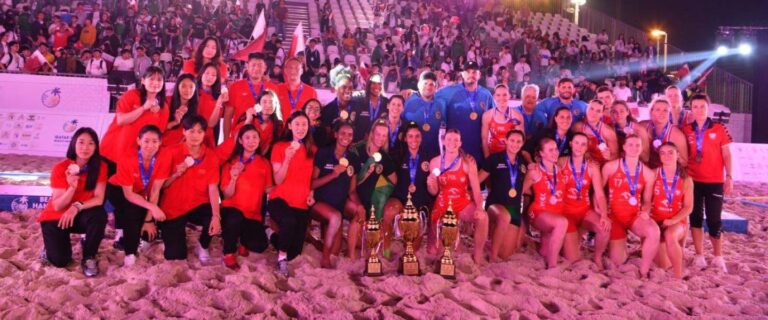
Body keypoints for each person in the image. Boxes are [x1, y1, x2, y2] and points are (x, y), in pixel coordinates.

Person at [38, 128, 108, 277]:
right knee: (60, 261)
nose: (85, 147)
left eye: (91, 143)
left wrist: (77, 206)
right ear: (73, 144)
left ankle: (89, 256)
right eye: (81, 142)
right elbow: (57, 205)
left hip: (80, 213)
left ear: (96, 147)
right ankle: (48, 249)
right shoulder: (61, 168)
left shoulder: (100, 167)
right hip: (56, 216)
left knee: (99, 215)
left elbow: (99, 198)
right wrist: (71, 188)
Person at [158, 115, 222, 261]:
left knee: (218, 215)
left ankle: (203, 245)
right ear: (184, 132)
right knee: (176, 255)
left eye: (199, 132)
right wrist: (176, 174)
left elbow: (213, 189)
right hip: (173, 208)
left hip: (197, 205)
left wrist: (216, 216)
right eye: (191, 131)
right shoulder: (170, 151)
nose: (195, 135)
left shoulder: (211, 156)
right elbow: (161, 186)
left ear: (204, 134)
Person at [682, 93, 733, 273]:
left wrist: (729, 177)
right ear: (691, 109)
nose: (699, 110)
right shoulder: (686, 129)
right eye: (695, 107)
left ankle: (718, 257)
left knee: (714, 220)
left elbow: (727, 154)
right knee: (695, 218)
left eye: (702, 106)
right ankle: (699, 255)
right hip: (693, 181)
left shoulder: (719, 128)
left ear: (708, 108)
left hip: (715, 181)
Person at [107, 125, 170, 266]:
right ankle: (130, 253)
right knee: (133, 212)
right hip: (118, 189)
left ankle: (136, 234)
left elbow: (155, 192)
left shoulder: (164, 158)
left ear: (160, 143)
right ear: (138, 141)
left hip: (140, 192)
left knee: (147, 220)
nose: (150, 145)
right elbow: (128, 194)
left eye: (155, 141)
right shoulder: (127, 158)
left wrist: (148, 220)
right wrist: (152, 208)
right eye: (146, 141)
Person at [427, 129, 489, 264]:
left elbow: (477, 192)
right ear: (443, 141)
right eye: (449, 139)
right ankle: (454, 237)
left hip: (462, 203)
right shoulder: (435, 162)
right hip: (443, 205)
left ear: (460, 143)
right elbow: (433, 192)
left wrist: (479, 208)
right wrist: (430, 183)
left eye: (456, 140)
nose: (452, 143)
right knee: (435, 251)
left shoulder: (468, 163)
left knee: (483, 218)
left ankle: (478, 257)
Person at [602, 135, 659, 277]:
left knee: (654, 231)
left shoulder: (648, 173)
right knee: (617, 261)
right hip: (614, 217)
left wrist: (645, 210)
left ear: (642, 148)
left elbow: (647, 200)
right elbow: (599, 192)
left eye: (637, 145)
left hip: (633, 216)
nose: (634, 148)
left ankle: (644, 270)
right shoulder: (610, 167)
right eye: (631, 145)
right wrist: (602, 212)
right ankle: (618, 246)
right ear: (624, 147)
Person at [267, 111, 316, 276]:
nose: (301, 128)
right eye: (297, 124)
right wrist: (287, 158)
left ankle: (270, 233)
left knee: (294, 251)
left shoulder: (312, 150)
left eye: (304, 124)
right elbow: (278, 180)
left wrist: (311, 193)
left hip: (301, 202)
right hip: (280, 198)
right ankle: (281, 259)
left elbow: (311, 179)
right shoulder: (279, 147)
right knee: (289, 221)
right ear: (289, 126)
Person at [310, 121, 365, 267]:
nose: (346, 137)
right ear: (335, 134)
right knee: (335, 217)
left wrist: (359, 205)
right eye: (343, 133)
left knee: (359, 212)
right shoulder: (324, 153)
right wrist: (333, 174)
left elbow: (352, 191)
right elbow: (312, 184)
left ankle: (351, 252)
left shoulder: (353, 158)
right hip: (319, 202)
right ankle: (325, 258)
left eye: (350, 134)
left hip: (338, 205)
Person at [220, 125, 273, 270]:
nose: (251, 141)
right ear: (241, 142)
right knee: (234, 219)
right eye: (247, 138)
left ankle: (242, 240)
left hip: (253, 213)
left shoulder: (264, 163)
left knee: (259, 245)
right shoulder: (231, 162)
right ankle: (229, 252)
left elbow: (269, 189)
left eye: (255, 137)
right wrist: (233, 178)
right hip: (232, 209)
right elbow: (226, 194)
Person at [381, 122, 435, 258]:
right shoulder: (398, 155)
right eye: (410, 136)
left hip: (420, 201)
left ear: (421, 138)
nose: (414, 140)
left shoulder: (429, 156)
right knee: (388, 211)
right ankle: (385, 249)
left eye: (417, 136)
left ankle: (408, 254)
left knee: (412, 249)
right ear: (405, 138)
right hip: (401, 197)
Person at [558, 133, 611, 267]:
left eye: (583, 144)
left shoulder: (592, 167)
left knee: (604, 228)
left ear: (587, 148)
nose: (579, 147)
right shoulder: (561, 162)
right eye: (576, 143)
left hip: (584, 211)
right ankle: (573, 236)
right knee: (572, 259)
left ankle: (597, 257)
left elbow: (599, 194)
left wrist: (604, 214)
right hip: (565, 213)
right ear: (570, 144)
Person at [101, 66, 168, 172]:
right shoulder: (131, 95)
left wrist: (175, 122)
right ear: (143, 81)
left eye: (159, 79)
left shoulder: (163, 107)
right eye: (151, 78)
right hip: (114, 152)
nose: (155, 82)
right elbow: (121, 120)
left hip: (137, 158)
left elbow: (159, 133)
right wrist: (144, 108)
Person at [479, 130, 528, 261]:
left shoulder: (523, 163)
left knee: (506, 254)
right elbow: (477, 180)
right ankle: (493, 256)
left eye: (518, 141)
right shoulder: (494, 159)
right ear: (506, 141)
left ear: (522, 144)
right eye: (512, 140)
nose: (515, 144)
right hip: (495, 204)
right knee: (503, 216)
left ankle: (495, 239)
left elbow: (523, 189)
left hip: (514, 208)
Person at [435, 61, 494, 167]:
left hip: (477, 149)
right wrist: (414, 92)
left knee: (476, 181)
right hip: (454, 149)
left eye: (474, 72)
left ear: (479, 75)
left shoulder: (486, 95)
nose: (471, 75)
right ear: (462, 74)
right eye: (467, 72)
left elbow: (493, 119)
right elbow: (429, 95)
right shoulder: (448, 91)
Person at [521, 138, 568, 268]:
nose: (555, 152)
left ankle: (540, 249)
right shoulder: (534, 171)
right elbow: (522, 191)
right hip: (539, 211)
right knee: (561, 223)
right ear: (541, 153)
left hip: (556, 211)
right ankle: (552, 266)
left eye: (556, 149)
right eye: (550, 150)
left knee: (545, 251)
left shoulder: (559, 169)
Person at [651, 142, 693, 278]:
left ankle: (678, 275)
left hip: (675, 222)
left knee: (670, 236)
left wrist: (673, 220)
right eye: (663, 153)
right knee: (662, 265)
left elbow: (688, 207)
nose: (667, 156)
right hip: (656, 221)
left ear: (677, 155)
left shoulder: (686, 179)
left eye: (671, 152)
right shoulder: (653, 174)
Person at [349, 120, 398, 221]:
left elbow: (394, 181)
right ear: (372, 134)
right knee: (358, 218)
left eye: (384, 135)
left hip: (370, 202)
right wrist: (366, 173)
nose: (381, 138)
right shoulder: (357, 150)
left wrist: (381, 193)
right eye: (378, 134)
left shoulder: (385, 158)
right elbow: (350, 187)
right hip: (352, 197)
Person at [224, 53, 279, 138]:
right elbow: (228, 116)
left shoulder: (273, 88)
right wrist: (226, 138)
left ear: (265, 68)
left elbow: (276, 115)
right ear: (247, 67)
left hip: (265, 137)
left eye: (260, 65)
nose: (256, 68)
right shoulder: (236, 86)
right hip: (240, 135)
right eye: (253, 65)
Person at [403, 71, 443, 158]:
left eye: (431, 84)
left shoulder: (441, 103)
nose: (428, 87)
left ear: (436, 87)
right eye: (425, 83)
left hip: (433, 153)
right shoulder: (407, 100)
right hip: (410, 153)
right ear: (418, 85)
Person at [642, 98, 688, 168]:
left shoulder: (676, 135)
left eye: (665, 110)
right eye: (658, 110)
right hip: (646, 171)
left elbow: (684, 162)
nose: (661, 113)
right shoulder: (643, 126)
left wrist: (671, 157)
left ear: (669, 113)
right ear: (651, 111)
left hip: (665, 174)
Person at [481, 84, 524, 158]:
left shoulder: (517, 116)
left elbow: (521, 139)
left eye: (504, 95)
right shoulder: (487, 115)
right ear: (494, 96)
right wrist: (487, 159)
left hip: (510, 155)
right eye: (498, 95)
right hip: (493, 154)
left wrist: (513, 158)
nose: (501, 98)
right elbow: (484, 139)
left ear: (509, 96)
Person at [572, 100, 618, 165]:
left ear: (602, 114)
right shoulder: (577, 127)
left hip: (600, 166)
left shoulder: (608, 131)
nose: (593, 113)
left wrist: (609, 157)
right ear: (586, 109)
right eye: (591, 109)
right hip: (581, 164)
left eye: (598, 111)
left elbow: (615, 155)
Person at [350, 73, 390, 142]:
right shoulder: (359, 101)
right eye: (373, 83)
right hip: (360, 143)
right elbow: (352, 124)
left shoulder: (386, 103)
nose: (376, 86)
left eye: (379, 83)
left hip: (379, 143)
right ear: (368, 85)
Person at [196, 62, 228, 146]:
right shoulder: (191, 92)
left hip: (207, 138)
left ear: (216, 79)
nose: (209, 77)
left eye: (213, 75)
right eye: (207, 73)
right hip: (190, 135)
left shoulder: (218, 97)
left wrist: (219, 102)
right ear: (201, 74)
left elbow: (211, 124)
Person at [277, 58, 318, 122]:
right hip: (281, 130)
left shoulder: (311, 91)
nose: (293, 71)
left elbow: (315, 115)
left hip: (301, 130)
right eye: (290, 68)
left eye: (297, 68)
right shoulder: (277, 89)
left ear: (302, 71)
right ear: (285, 70)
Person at [162, 74, 198, 147]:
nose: (187, 90)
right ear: (177, 87)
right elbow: (159, 128)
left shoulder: (197, 107)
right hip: (164, 144)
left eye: (191, 87)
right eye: (183, 86)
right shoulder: (167, 102)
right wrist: (175, 122)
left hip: (183, 146)